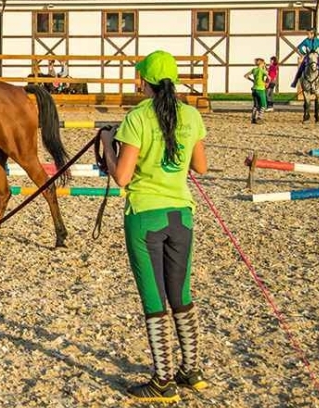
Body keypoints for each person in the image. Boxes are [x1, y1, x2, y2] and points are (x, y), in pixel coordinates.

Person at [100, 50, 209, 404]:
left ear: (142, 80)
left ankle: (162, 381)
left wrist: (105, 142)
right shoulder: (191, 115)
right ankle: (190, 370)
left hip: (145, 215)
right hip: (182, 214)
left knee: (154, 299)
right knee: (182, 295)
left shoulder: (137, 117)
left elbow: (122, 177)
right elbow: (201, 167)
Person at [246, 58, 269, 124]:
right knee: (264, 105)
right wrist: (267, 83)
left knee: (256, 105)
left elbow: (246, 76)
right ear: (262, 63)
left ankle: (253, 118)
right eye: (264, 63)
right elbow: (269, 77)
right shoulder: (262, 70)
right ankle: (259, 118)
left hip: (254, 89)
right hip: (261, 89)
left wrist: (252, 80)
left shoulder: (254, 70)